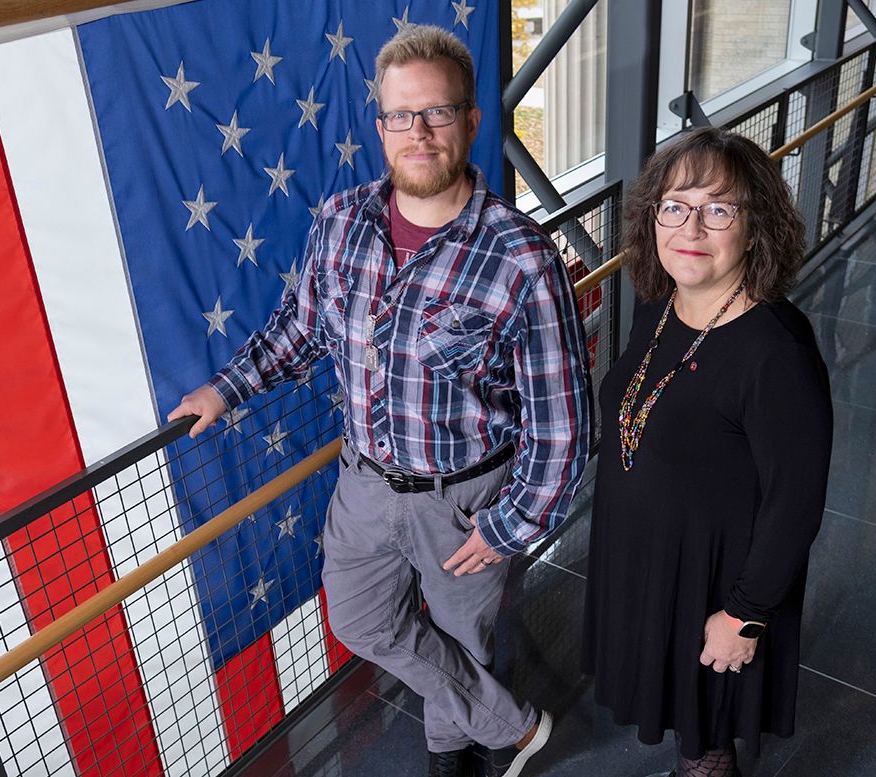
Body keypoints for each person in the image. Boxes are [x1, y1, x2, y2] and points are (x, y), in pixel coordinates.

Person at [168, 24, 591, 777]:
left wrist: (509, 524)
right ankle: (512, 724)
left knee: (461, 642)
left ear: (471, 120)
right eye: (400, 115)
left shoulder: (520, 257)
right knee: (361, 619)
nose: (418, 132)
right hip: (363, 484)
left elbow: (561, 428)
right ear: (380, 125)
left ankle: (451, 762)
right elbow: (296, 328)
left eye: (437, 112)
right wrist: (222, 388)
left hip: (466, 499)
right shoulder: (339, 221)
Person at [578, 126, 833, 777]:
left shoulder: (775, 351)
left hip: (715, 578)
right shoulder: (656, 306)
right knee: (682, 708)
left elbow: (795, 503)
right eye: (675, 205)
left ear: (756, 227)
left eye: (718, 208)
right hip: (652, 556)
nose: (691, 225)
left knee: (707, 729)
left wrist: (744, 614)